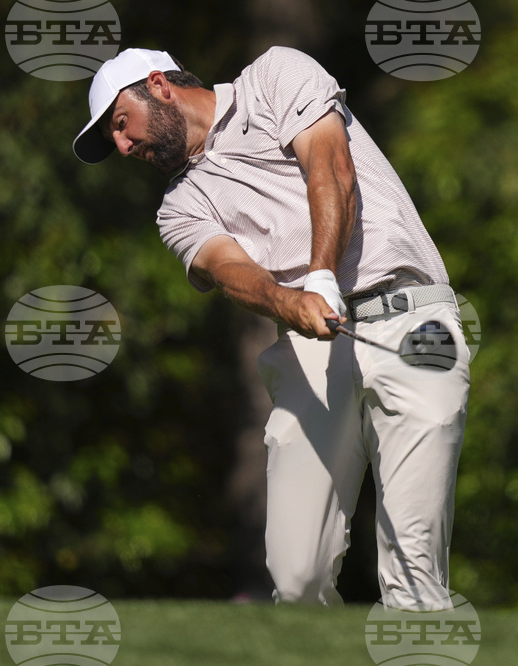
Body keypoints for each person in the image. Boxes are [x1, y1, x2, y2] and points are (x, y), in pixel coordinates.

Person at [72, 47, 470, 609]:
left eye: (120, 123)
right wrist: (290, 302)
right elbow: (229, 270)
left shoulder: (275, 76)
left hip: (413, 322)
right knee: (297, 578)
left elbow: (330, 165)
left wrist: (321, 276)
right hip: (310, 349)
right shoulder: (177, 209)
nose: (122, 146)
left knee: (414, 570)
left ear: (158, 85)